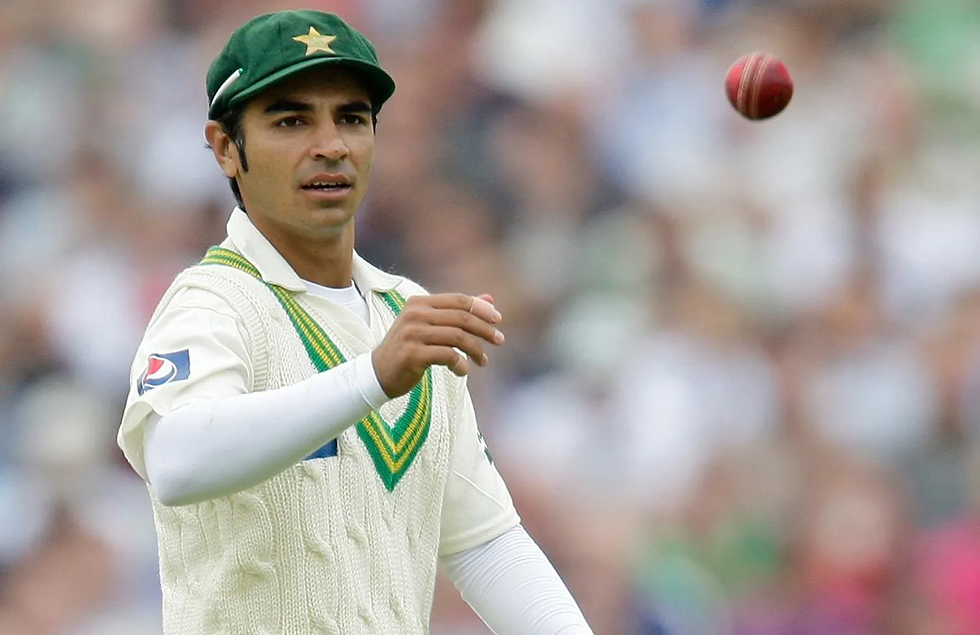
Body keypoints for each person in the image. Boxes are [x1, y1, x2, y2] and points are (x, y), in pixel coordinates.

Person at [116, 9, 594, 635]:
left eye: (352, 117)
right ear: (226, 147)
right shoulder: (214, 301)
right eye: (292, 120)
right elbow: (177, 462)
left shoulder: (404, 311)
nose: (331, 144)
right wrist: (369, 377)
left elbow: (484, 544)